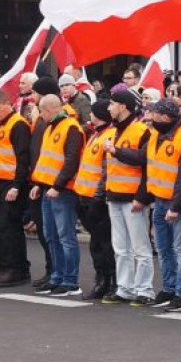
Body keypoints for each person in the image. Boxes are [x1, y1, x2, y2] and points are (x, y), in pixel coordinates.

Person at [140, 99, 181, 309]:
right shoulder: (157, 134)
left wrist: (176, 206)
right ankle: (169, 288)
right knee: (163, 248)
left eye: (154, 113)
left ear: (165, 117)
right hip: (159, 198)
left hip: (175, 203)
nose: (150, 117)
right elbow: (143, 157)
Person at [102, 89, 155, 307]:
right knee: (121, 247)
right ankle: (125, 288)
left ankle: (144, 289)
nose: (108, 108)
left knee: (140, 247)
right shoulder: (114, 130)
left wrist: (142, 197)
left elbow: (145, 160)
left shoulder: (142, 131)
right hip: (114, 194)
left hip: (133, 197)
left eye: (112, 104)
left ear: (123, 106)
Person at [30, 94, 84, 296]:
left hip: (62, 191)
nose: (40, 115)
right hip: (48, 188)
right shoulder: (51, 126)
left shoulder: (70, 127)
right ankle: (57, 277)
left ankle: (70, 281)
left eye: (42, 111)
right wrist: (39, 183)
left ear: (51, 109)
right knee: (51, 235)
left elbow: (71, 160)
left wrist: (58, 186)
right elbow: (47, 160)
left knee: (65, 236)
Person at [72, 99, 117, 300]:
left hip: (96, 198)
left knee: (104, 243)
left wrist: (99, 197)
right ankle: (102, 278)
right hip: (84, 195)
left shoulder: (108, 135)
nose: (89, 114)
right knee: (96, 243)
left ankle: (109, 281)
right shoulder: (96, 134)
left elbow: (105, 171)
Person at [0, 90, 31, 287]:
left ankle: (16, 268)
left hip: (12, 184)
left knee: (10, 226)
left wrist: (17, 185)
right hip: (2, 181)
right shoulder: (4, 124)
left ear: (6, 104)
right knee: (3, 226)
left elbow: (23, 158)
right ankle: (6, 266)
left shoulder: (18, 124)